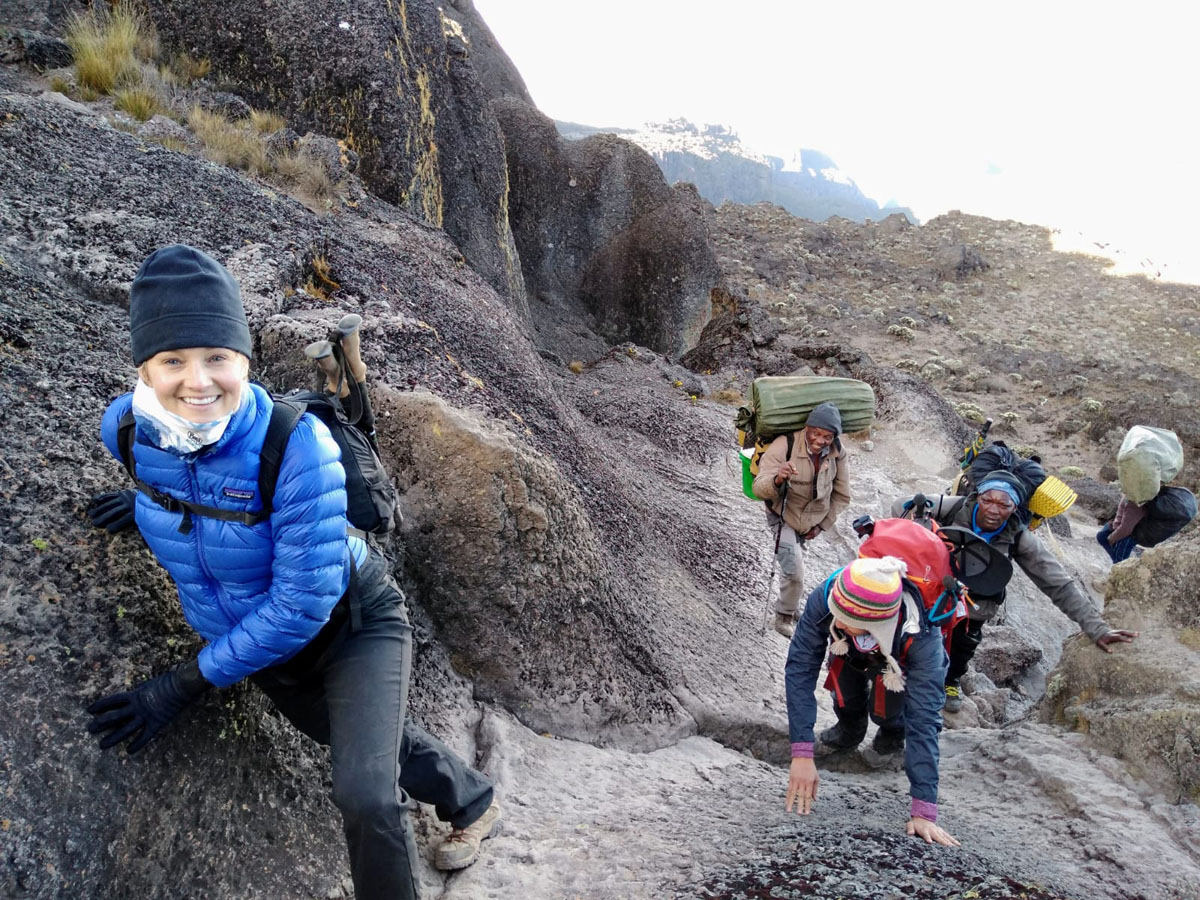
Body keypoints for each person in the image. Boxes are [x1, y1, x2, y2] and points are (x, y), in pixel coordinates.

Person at [84, 244, 499, 900]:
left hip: (351, 624)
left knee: (363, 791)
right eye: (172, 361)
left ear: (244, 360)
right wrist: (148, 502)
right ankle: (474, 801)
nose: (197, 382)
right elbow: (194, 485)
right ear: (144, 368)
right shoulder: (129, 433)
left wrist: (184, 683)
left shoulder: (296, 445)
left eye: (217, 357)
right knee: (370, 742)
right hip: (267, 655)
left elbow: (299, 604)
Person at [893, 476, 1138, 713]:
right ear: (977, 497)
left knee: (964, 643)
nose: (992, 509)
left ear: (1015, 508)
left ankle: (951, 681)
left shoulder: (1019, 537)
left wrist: (1097, 628)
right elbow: (898, 507)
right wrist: (919, 524)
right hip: (931, 587)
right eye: (987, 500)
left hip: (975, 599)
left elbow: (1058, 584)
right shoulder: (953, 507)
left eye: (1003, 504)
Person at [784, 556, 959, 847]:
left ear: (875, 622)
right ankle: (850, 729)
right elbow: (800, 667)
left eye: (847, 621)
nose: (837, 621)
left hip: (897, 660)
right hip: (850, 650)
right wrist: (802, 751)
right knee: (846, 693)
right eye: (836, 614)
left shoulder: (923, 638)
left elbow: (925, 719)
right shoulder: (831, 594)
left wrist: (924, 811)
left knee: (889, 712)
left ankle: (891, 731)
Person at [752, 402, 851, 637]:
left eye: (827, 436)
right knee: (794, 570)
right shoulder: (784, 445)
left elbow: (842, 495)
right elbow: (759, 488)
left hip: (811, 523)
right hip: (782, 515)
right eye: (815, 433)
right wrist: (778, 478)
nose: (820, 440)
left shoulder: (838, 452)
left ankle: (792, 604)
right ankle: (784, 615)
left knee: (795, 562)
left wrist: (820, 526)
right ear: (807, 427)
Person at [1096, 483, 1197, 564]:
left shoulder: (1135, 502)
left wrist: (1111, 539)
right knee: (1102, 536)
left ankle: (1119, 577)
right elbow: (1122, 514)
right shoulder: (1135, 494)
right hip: (1124, 528)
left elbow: (1125, 529)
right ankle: (1125, 565)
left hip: (1132, 534)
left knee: (1119, 559)